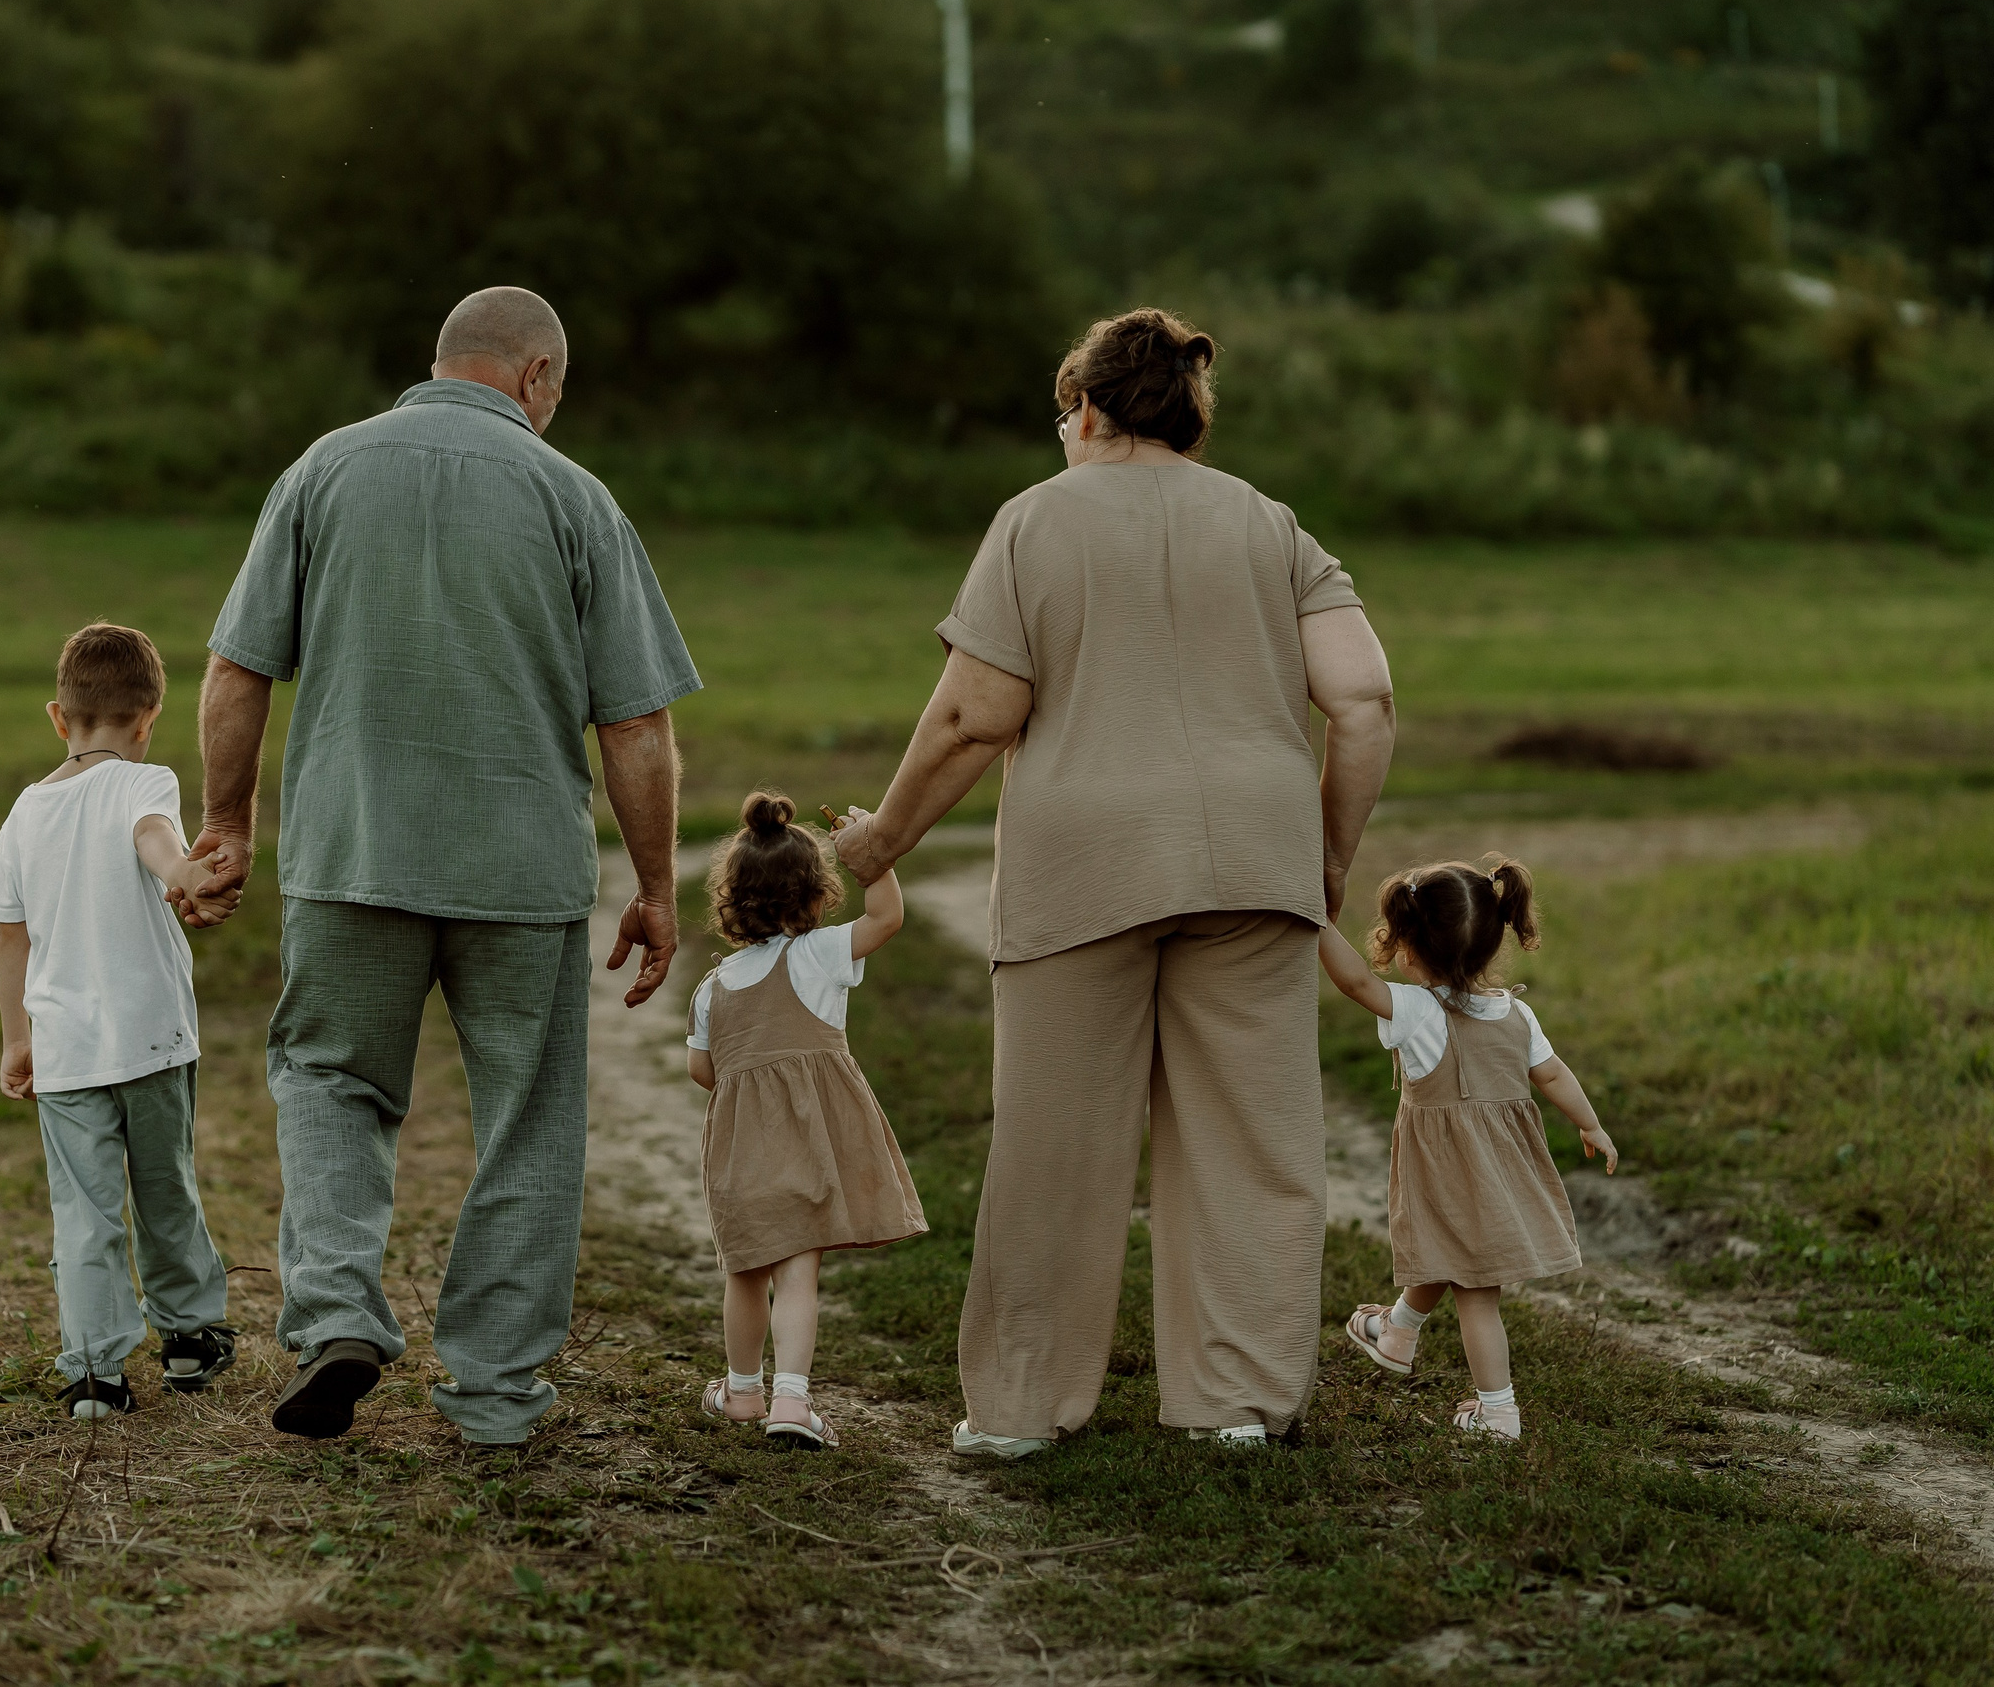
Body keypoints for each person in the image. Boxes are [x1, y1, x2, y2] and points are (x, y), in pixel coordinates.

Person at [830, 306, 1399, 1457]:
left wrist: (882, 838)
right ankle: (1237, 1403)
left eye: (1062, 412)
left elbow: (973, 716)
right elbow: (1363, 699)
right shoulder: (1270, 522)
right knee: (1252, 1140)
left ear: (1086, 408)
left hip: (1082, 860)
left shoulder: (1034, 519)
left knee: (1053, 1145)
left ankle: (1021, 1407)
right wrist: (1327, 854)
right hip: (1256, 858)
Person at [189, 286, 701, 1447]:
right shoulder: (576, 496)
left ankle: (336, 1316)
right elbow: (635, 723)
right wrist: (656, 885)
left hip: (350, 855)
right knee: (526, 1117)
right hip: (520, 873)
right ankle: (495, 1388)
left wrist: (228, 824)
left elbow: (235, 669)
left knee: (330, 1080)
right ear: (537, 376)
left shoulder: (320, 470)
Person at [0, 623, 241, 1421]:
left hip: (65, 1052)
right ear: (149, 718)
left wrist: (17, 1039)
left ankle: (95, 1376)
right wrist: (184, 872)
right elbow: (152, 835)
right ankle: (189, 1338)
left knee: (84, 1213)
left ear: (58, 718)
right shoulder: (144, 781)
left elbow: (12, 937)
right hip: (151, 1039)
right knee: (168, 1192)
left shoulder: (25, 811)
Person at [1325, 856, 1618, 1441]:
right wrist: (1591, 1125)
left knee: (1477, 1295)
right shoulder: (1516, 1012)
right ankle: (1398, 1331)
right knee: (1451, 1255)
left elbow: (1355, 982)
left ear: (1408, 946)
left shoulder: (1417, 1011)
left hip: (1448, 1174)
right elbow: (1553, 1073)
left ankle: (1498, 1414)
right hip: (1503, 1174)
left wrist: (1314, 919)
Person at [686, 793, 926, 1450]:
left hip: (740, 1152)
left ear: (731, 903)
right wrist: (871, 857)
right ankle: (791, 1400)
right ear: (817, 896)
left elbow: (703, 1071)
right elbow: (888, 917)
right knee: (797, 1270)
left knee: (745, 1269)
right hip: (808, 1145)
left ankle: (741, 1391)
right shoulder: (819, 954)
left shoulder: (712, 987)